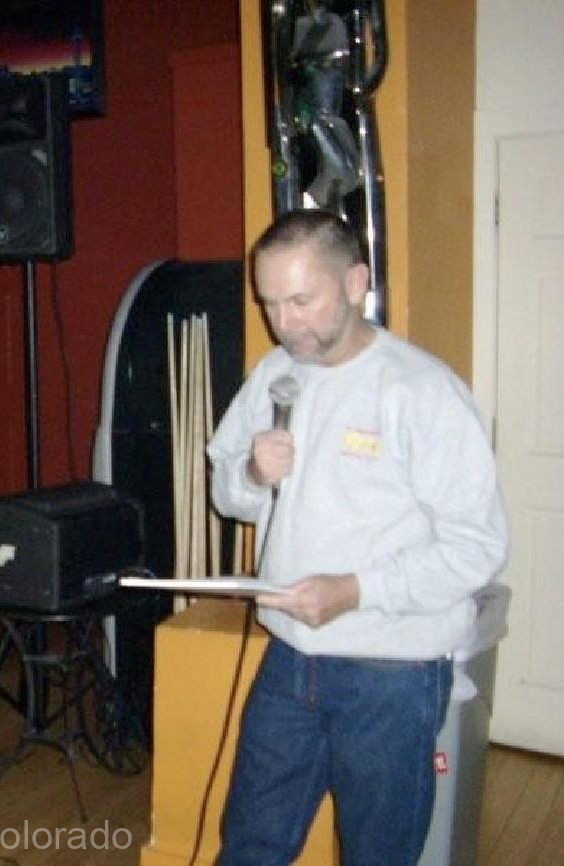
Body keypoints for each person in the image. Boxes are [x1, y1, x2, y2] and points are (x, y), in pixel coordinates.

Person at [206, 209, 508, 865]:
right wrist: (251, 474)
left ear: (354, 283)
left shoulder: (423, 391)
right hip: (289, 659)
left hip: (391, 673)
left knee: (378, 854)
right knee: (250, 845)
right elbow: (226, 495)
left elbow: (477, 548)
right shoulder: (274, 374)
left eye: (300, 301)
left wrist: (355, 590)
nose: (284, 323)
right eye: (269, 303)